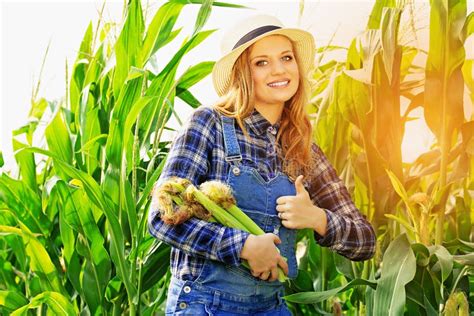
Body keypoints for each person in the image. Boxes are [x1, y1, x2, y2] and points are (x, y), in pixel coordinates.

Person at [148, 14, 376, 315]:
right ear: (242, 72)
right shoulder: (209, 125)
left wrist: (317, 217)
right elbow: (162, 217)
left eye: (286, 58)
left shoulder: (304, 151)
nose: (279, 70)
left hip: (271, 307)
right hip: (206, 306)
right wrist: (243, 246)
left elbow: (365, 240)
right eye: (262, 62)